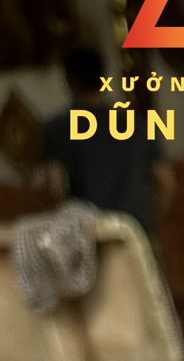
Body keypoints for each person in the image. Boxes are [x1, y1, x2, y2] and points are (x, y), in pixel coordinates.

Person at [40, 46, 174, 236]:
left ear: (70, 81)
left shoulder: (58, 128)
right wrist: (152, 223)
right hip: (137, 230)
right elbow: (166, 183)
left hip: (92, 234)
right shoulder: (139, 123)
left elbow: (55, 188)